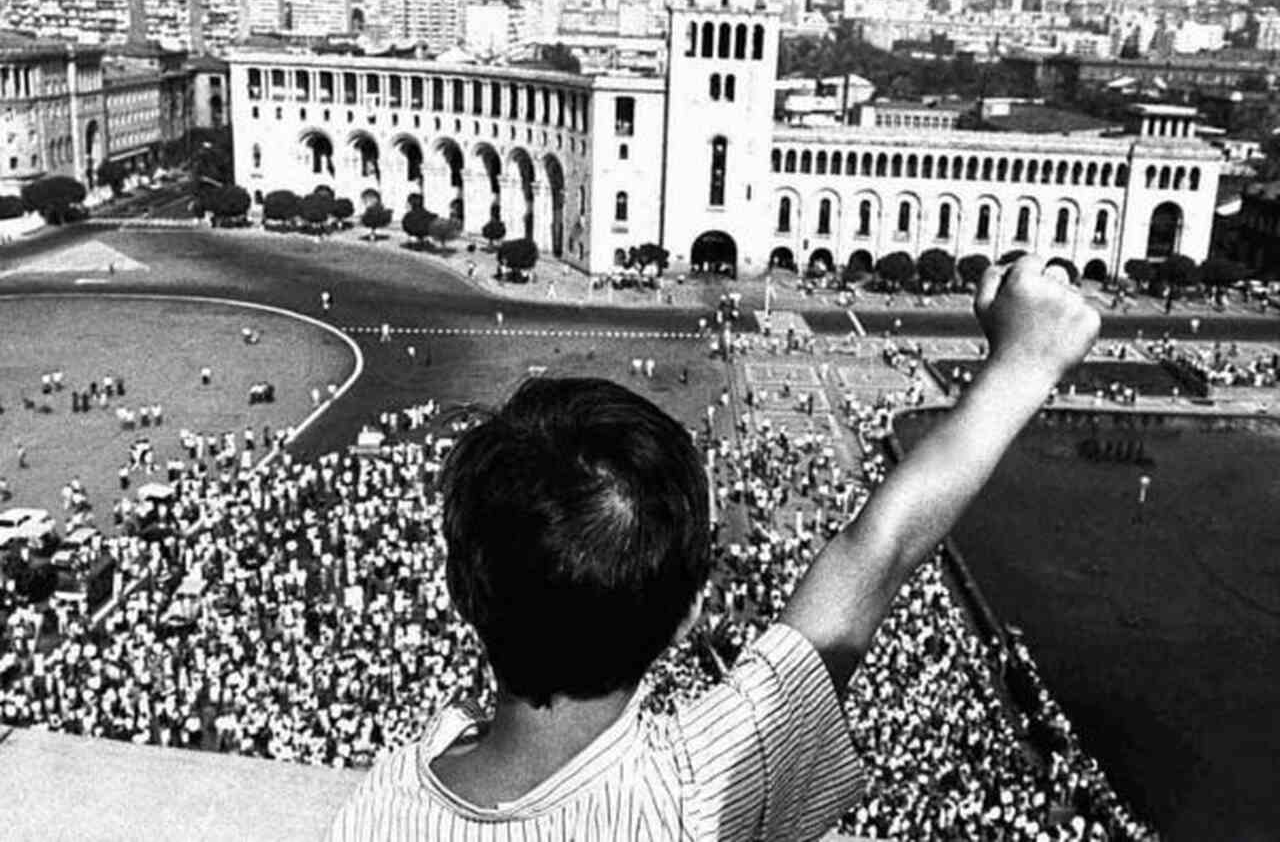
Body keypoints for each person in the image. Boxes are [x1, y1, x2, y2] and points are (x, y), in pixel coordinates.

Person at [327, 254, 1100, 841]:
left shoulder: (379, 806)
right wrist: (1024, 364)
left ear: (461, 585)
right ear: (689, 613)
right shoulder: (699, 793)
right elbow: (878, 549)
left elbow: (879, 549)